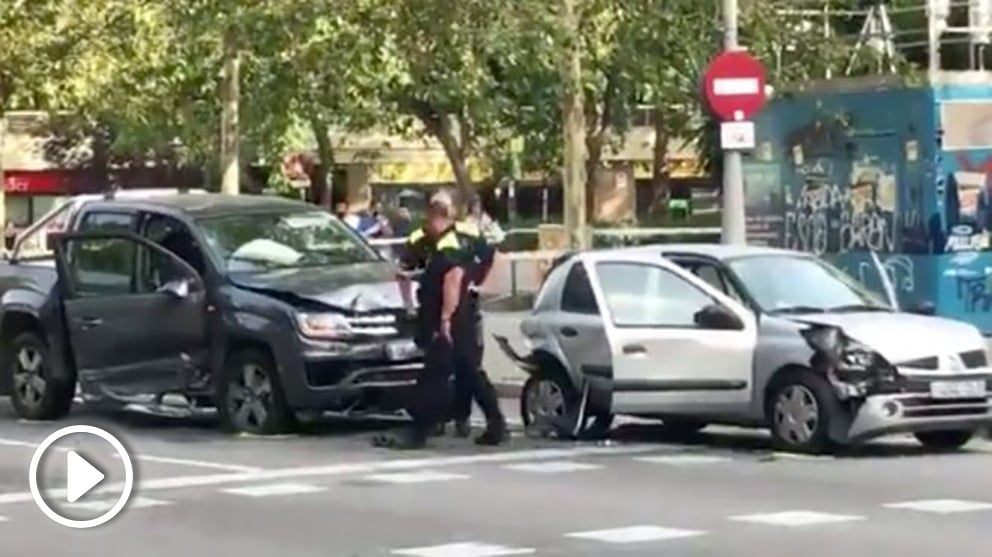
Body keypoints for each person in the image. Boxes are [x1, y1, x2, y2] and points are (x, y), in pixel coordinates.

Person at [373, 196, 492, 449]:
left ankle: (418, 432)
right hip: (456, 311)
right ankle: (495, 424)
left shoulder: (451, 242)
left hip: (449, 314)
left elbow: (453, 279)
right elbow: (404, 272)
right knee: (469, 370)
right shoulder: (427, 238)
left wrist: (446, 318)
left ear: (437, 216)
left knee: (434, 375)